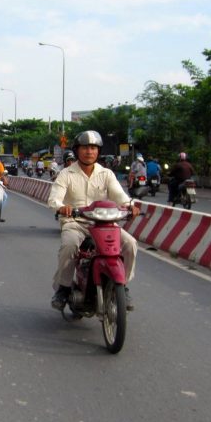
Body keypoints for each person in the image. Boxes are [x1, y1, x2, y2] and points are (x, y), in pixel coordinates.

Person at [47, 130, 140, 311]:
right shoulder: (66, 174)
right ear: (77, 150)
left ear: (98, 151)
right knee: (69, 245)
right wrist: (61, 207)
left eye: (93, 148)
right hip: (76, 222)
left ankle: (124, 286)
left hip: (103, 224)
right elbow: (54, 199)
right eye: (85, 148)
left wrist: (130, 205)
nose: (89, 151)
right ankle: (63, 288)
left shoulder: (106, 174)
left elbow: (120, 195)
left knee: (130, 244)